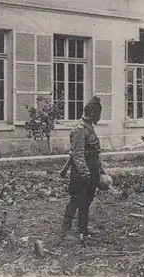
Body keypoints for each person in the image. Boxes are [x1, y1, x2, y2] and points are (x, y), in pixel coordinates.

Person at [59, 96, 105, 242]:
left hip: (92, 170)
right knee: (76, 200)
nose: (99, 117)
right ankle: (65, 231)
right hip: (81, 173)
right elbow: (78, 154)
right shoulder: (79, 129)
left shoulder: (89, 127)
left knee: (87, 201)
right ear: (92, 113)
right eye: (98, 114)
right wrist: (85, 175)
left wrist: (100, 171)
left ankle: (82, 229)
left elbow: (94, 153)